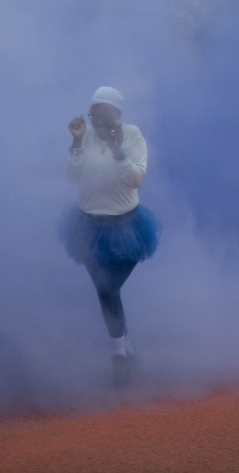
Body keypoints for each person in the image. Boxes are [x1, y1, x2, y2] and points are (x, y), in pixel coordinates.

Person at [61, 86, 161, 388]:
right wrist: (77, 142)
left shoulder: (132, 135)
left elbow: (135, 179)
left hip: (126, 229)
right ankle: (129, 355)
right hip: (88, 227)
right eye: (94, 114)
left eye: (104, 115)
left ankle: (119, 358)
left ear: (118, 114)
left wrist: (119, 152)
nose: (98, 122)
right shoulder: (86, 134)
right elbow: (72, 177)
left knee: (106, 288)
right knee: (107, 293)